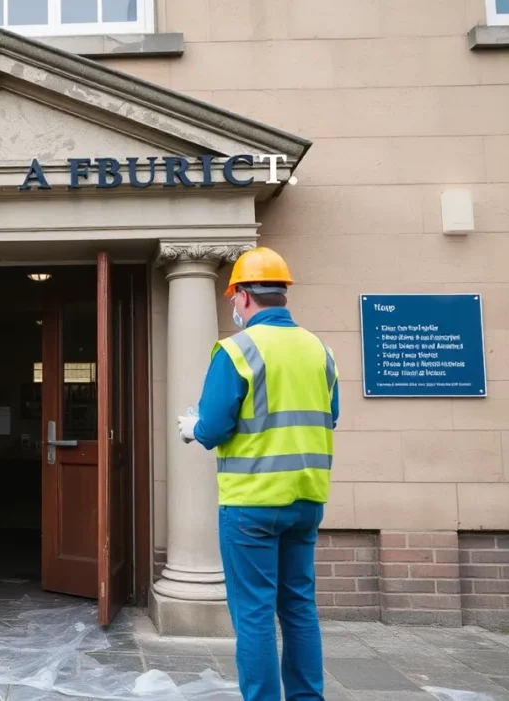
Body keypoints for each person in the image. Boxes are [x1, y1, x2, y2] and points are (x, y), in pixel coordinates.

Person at [176, 247, 339, 701]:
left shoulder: (237, 349)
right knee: (300, 609)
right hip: (306, 500)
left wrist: (192, 428)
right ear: (283, 293)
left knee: (254, 614)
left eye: (232, 296)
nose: (232, 306)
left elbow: (213, 428)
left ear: (244, 295)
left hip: (251, 504)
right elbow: (330, 416)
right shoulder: (319, 351)